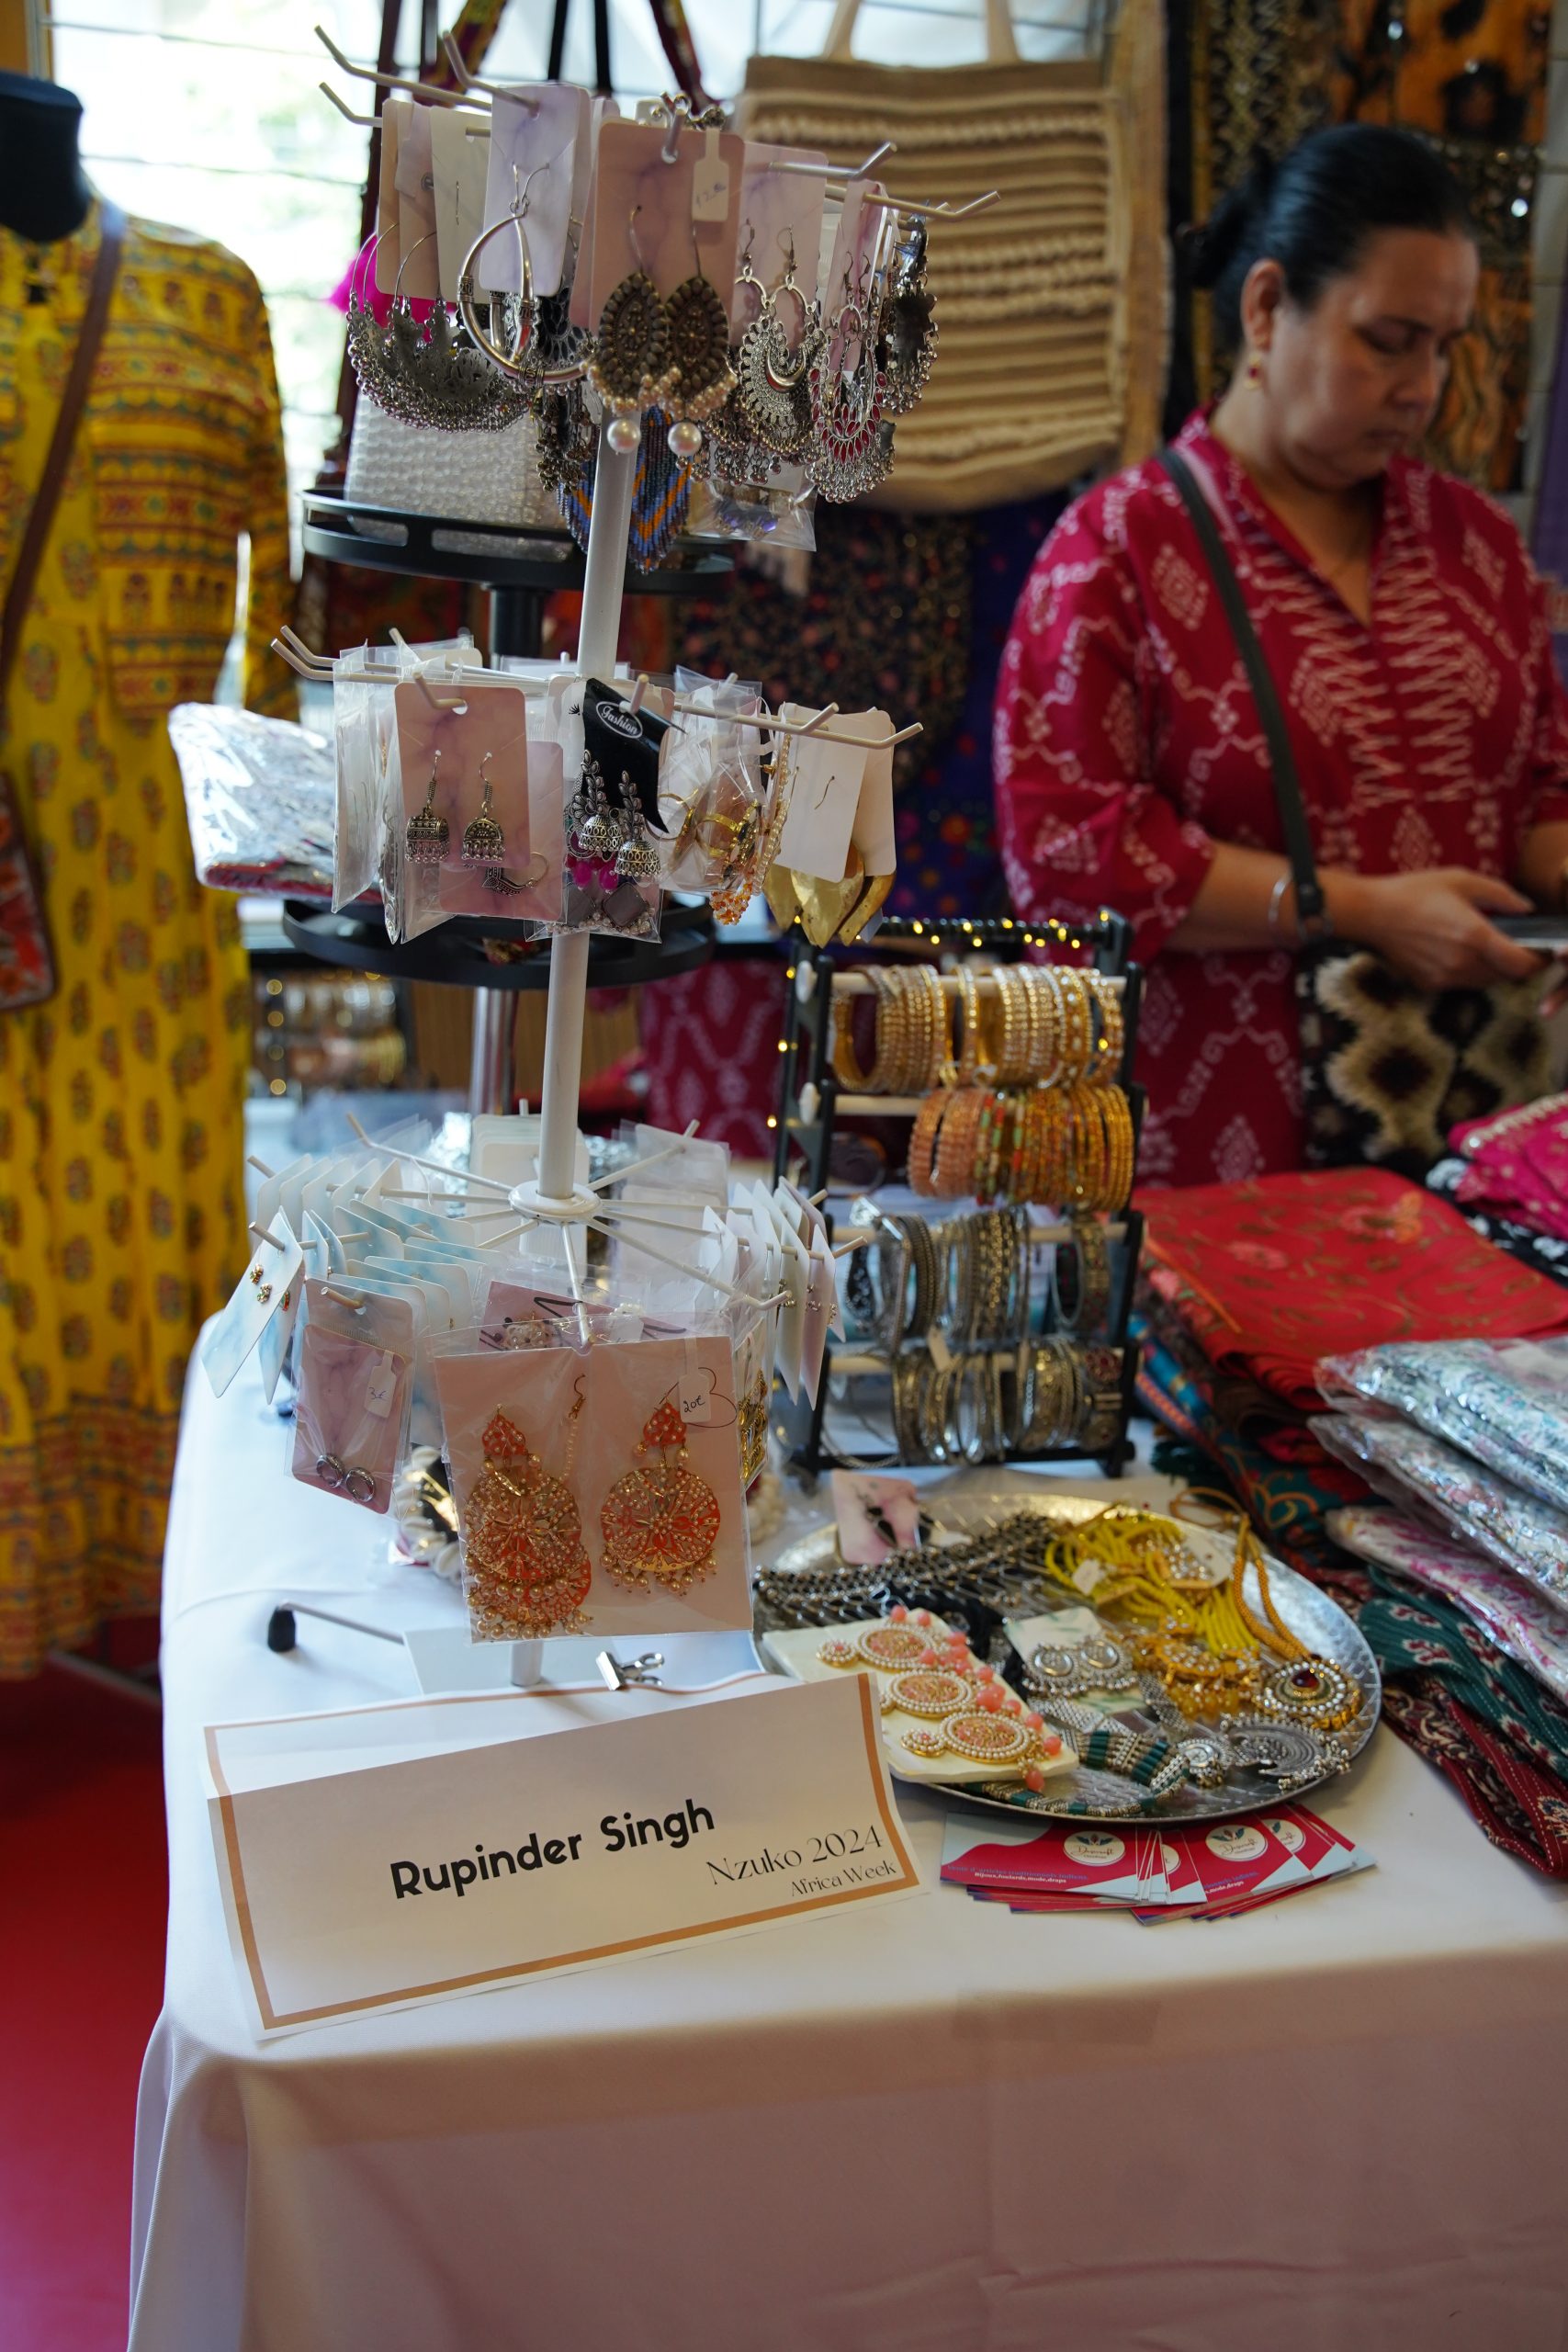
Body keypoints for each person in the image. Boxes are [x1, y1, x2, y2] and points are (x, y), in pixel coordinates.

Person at [993, 124, 1568, 1188]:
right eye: (1389, 340)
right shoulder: (1116, 551)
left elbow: (1542, 793)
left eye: (1445, 346)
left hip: (1471, 1147)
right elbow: (1069, 858)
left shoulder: (1479, 547)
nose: (1424, 387)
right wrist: (1364, 909)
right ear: (1266, 307)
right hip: (1213, 1158)